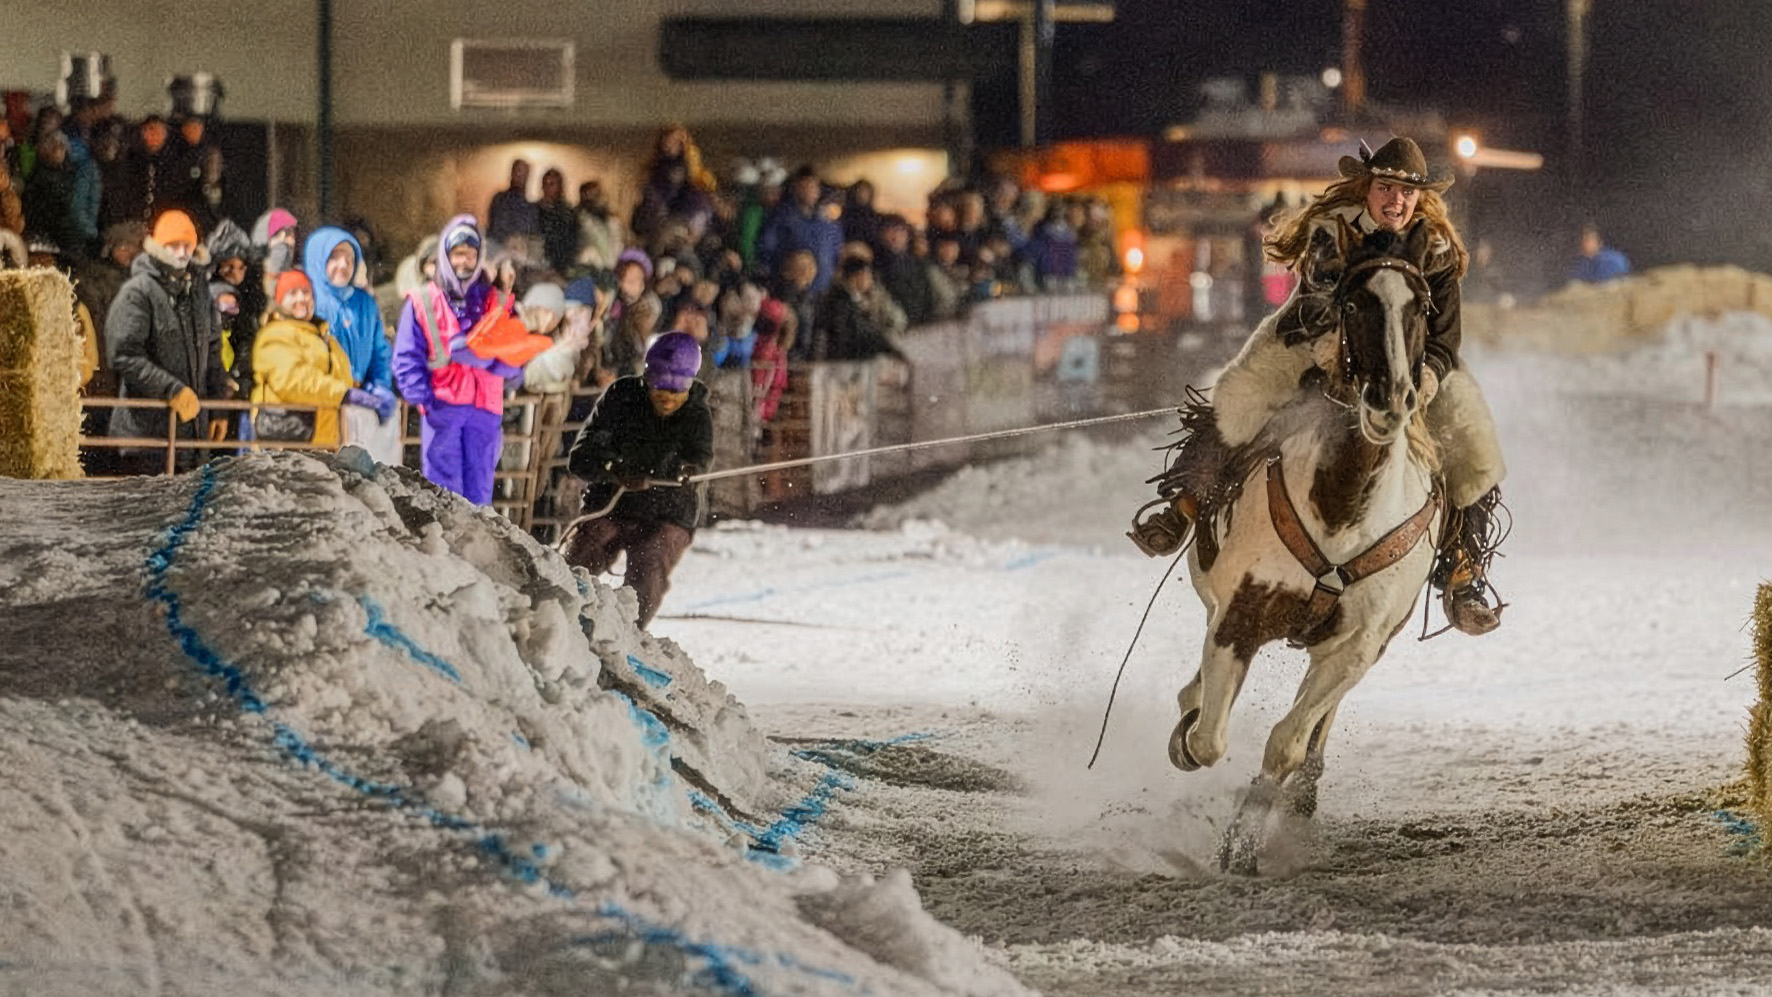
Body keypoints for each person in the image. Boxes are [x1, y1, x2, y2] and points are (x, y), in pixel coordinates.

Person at [1131, 137, 1508, 637]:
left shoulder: (1437, 251)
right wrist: (1338, 358)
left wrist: (1428, 377)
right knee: (1240, 396)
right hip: (1314, 342)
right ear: (1369, 187)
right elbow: (1314, 305)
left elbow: (1445, 338)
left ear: (1420, 199)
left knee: (1474, 441)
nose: (1396, 200)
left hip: (1414, 364)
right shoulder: (1334, 233)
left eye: (1407, 193)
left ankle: (1463, 569)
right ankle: (1187, 502)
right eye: (1387, 188)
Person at [563, 331, 713, 628]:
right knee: (584, 551)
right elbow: (581, 458)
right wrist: (614, 468)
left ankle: (630, 630)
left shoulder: (697, 415)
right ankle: (561, 613)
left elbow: (700, 460)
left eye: (677, 389)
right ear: (646, 377)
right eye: (660, 387)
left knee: (650, 558)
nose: (668, 397)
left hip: (667, 513)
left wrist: (686, 471)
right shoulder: (621, 398)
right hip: (613, 504)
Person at [392, 214, 526, 505]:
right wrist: (425, 399)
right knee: (444, 493)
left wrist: (497, 364)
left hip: (485, 408)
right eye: (457, 253)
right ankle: (445, 550)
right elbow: (406, 356)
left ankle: (475, 550)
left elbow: (516, 353)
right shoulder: (423, 300)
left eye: (471, 253)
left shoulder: (498, 300)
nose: (464, 261)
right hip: (444, 406)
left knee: (480, 490)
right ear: (445, 254)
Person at [105, 209, 232, 473]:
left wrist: (218, 407)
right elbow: (123, 354)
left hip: (191, 437)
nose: (181, 252)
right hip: (146, 438)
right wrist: (171, 390)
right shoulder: (138, 292)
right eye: (173, 245)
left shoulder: (199, 292)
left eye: (187, 245)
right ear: (158, 247)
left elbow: (212, 351)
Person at [251, 270, 377, 447]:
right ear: (279, 301)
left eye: (306, 292)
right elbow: (294, 380)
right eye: (292, 293)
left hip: (323, 442)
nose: (301, 298)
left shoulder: (325, 337)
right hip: (287, 442)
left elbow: (339, 379)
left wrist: (364, 391)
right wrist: (344, 394)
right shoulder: (274, 335)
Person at [486, 159, 537, 249]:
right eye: (517, 172)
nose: (520, 177)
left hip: (522, 256)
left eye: (524, 174)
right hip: (499, 253)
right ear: (512, 174)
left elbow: (533, 236)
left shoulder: (532, 208)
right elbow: (494, 231)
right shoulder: (500, 200)